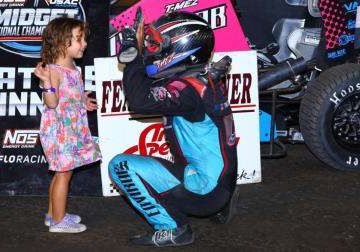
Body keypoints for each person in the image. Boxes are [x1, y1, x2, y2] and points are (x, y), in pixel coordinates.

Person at [108, 11, 239, 247]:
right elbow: (148, 82)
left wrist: (134, 56)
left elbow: (139, 101)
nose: (151, 48)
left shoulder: (188, 90)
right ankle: (219, 203)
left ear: (181, 49)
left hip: (206, 190)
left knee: (120, 166)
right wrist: (136, 52)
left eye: (157, 44)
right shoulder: (196, 80)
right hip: (217, 183)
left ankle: (173, 229)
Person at [34, 17, 101, 233]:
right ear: (63, 42)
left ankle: (53, 214)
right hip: (60, 131)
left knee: (62, 172)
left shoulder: (73, 67)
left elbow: (69, 96)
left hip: (72, 129)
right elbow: (52, 103)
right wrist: (46, 84)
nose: (84, 44)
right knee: (63, 173)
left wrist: (83, 100)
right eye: (79, 40)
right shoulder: (53, 71)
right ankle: (59, 221)